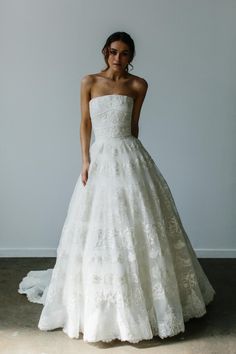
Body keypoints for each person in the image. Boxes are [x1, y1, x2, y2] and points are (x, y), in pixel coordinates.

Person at [18, 31, 216, 343]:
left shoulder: (139, 85)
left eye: (124, 54)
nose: (117, 59)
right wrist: (85, 160)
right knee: (101, 226)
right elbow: (84, 123)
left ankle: (144, 296)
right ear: (105, 52)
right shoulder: (89, 82)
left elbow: (135, 126)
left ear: (131, 57)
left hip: (129, 155)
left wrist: (134, 161)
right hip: (100, 158)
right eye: (113, 52)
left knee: (136, 224)